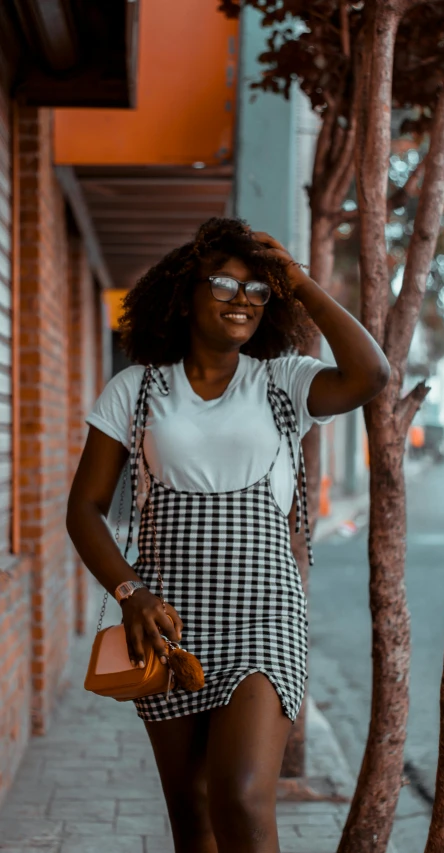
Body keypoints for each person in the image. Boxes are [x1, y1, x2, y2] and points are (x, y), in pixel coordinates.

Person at [66, 217, 390, 853]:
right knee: (193, 819)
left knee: (238, 796)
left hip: (264, 614)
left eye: (257, 289)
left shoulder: (282, 381)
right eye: (223, 283)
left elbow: (370, 374)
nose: (242, 299)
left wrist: (296, 280)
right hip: (168, 621)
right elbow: (84, 507)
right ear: (185, 293)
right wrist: (131, 594)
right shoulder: (135, 391)